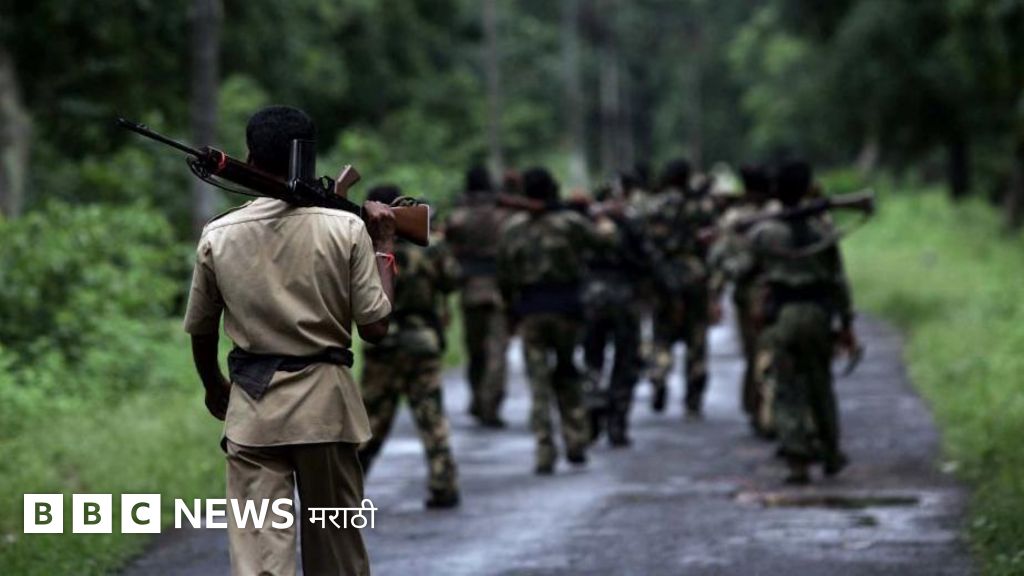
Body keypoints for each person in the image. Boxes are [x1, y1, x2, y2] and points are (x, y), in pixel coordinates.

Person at [184, 106, 395, 575]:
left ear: (249, 157)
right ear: (308, 156)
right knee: (337, 553)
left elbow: (202, 328)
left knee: (260, 557)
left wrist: (213, 384)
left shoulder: (219, 234)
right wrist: (384, 246)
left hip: (253, 411)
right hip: (327, 412)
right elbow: (376, 327)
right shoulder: (347, 228)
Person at [748, 160, 859, 484]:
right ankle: (830, 452)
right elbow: (838, 281)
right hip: (817, 314)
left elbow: (752, 271)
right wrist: (846, 323)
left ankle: (797, 458)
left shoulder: (765, 233)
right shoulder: (823, 230)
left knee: (786, 387)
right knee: (821, 384)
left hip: (783, 315)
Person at [358, 185, 461, 509]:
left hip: (383, 342)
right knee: (432, 418)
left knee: (369, 423)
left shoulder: (365, 244)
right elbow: (452, 280)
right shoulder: (429, 246)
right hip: (422, 340)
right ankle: (443, 483)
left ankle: (347, 492)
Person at [497, 167, 595, 474]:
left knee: (538, 383)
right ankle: (576, 439)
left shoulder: (513, 228)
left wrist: (511, 311)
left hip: (531, 310)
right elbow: (601, 243)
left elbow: (505, 275)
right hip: (567, 308)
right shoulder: (571, 223)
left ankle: (544, 449)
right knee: (567, 373)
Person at [643, 158, 719, 418]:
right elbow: (712, 239)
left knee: (662, 334)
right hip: (695, 273)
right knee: (696, 338)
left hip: (664, 274)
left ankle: (659, 374)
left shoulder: (654, 205)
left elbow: (645, 240)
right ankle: (693, 398)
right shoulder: (701, 206)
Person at [581, 179, 651, 447]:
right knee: (625, 361)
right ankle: (617, 421)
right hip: (624, 296)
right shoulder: (631, 223)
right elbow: (646, 259)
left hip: (592, 296)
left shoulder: (585, 223)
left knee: (592, 358)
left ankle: (593, 408)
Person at [708, 164, 775, 435]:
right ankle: (765, 411)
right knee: (768, 352)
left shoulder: (734, 218)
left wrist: (715, 293)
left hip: (747, 294)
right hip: (774, 291)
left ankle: (756, 407)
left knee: (754, 352)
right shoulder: (780, 212)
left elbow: (718, 257)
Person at [444, 166, 510, 428]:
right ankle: (490, 402)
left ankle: (477, 398)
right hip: (499, 289)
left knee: (475, 350)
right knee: (497, 351)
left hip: (470, 289)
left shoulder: (459, 217)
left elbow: (449, 248)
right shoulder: (503, 216)